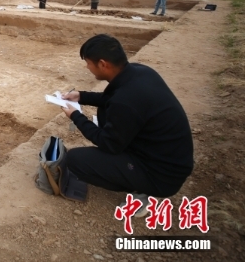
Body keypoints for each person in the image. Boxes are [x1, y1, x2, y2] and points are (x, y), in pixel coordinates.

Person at [60, 34, 193, 215]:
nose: (87, 67)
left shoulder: (126, 100)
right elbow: (110, 100)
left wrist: (76, 116)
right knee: (108, 115)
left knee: (75, 160)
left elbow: (108, 144)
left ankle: (145, 193)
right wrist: (81, 96)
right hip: (168, 157)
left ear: (102, 64)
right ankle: (138, 177)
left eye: (88, 63)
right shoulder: (140, 72)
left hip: (161, 175)